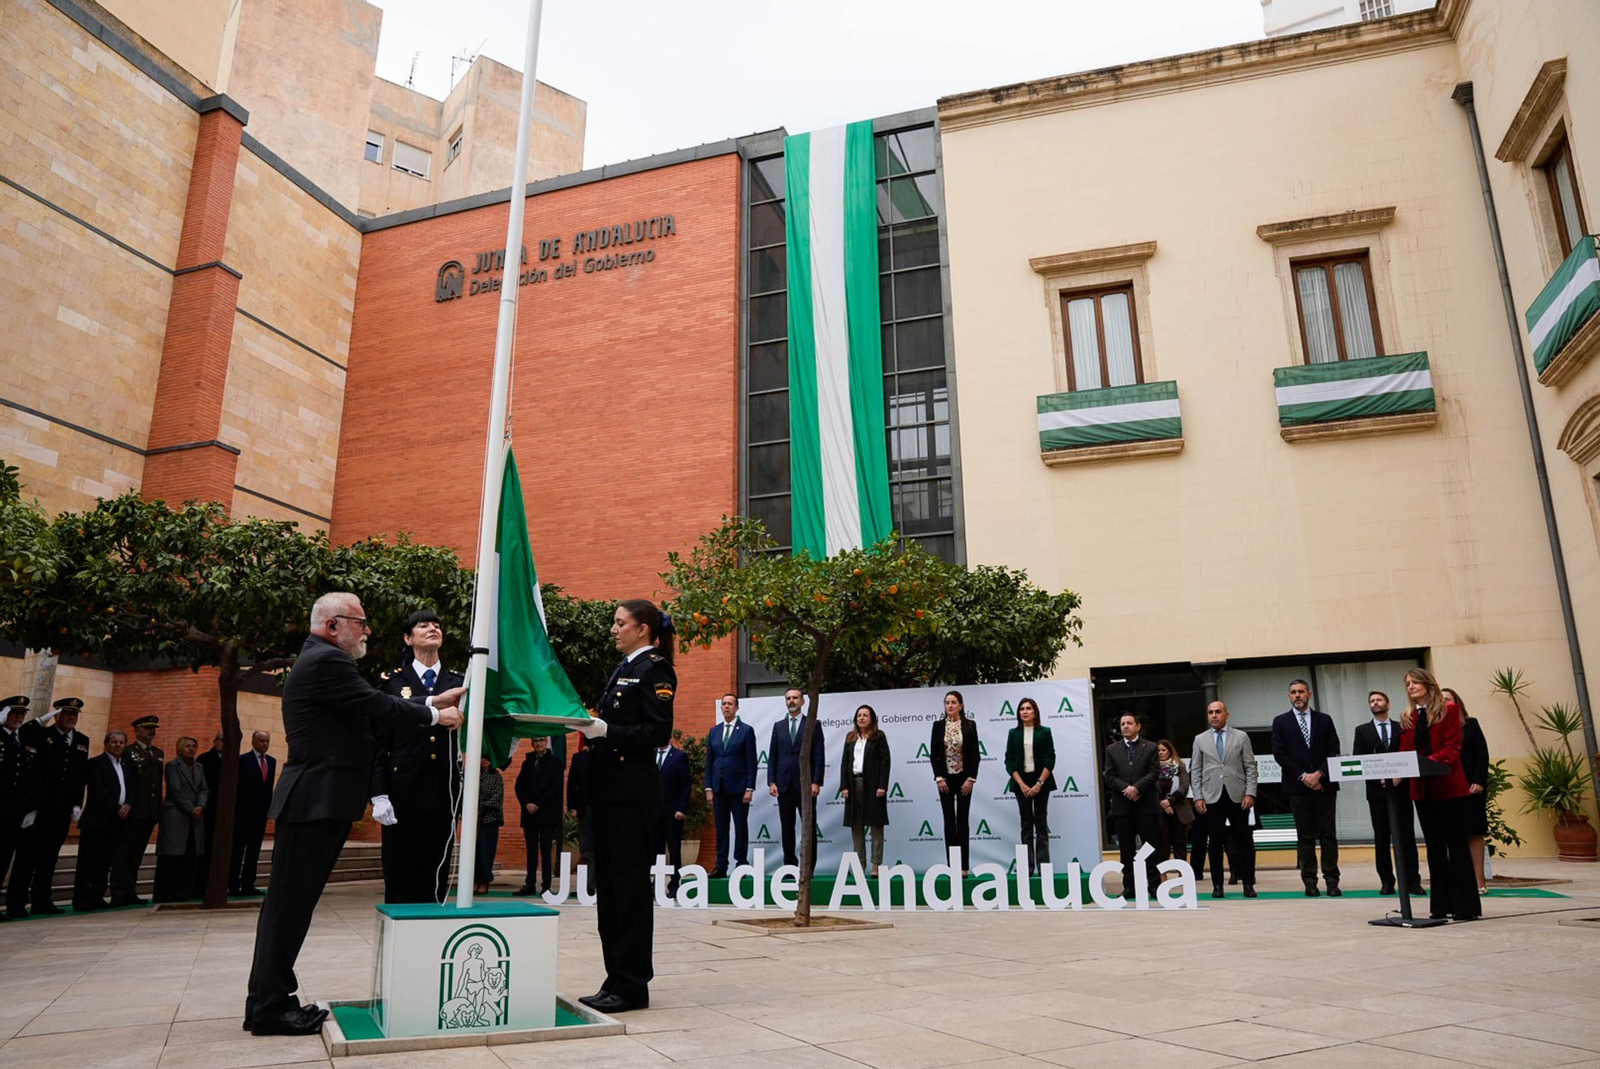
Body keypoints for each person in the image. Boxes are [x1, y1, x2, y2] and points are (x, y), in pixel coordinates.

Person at [245, 592, 464, 1037]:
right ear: (332, 626)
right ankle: (270, 1005)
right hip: (314, 800)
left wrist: (431, 701)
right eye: (359, 623)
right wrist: (433, 713)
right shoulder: (328, 661)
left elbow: (365, 717)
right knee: (289, 907)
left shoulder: (321, 658)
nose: (366, 631)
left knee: (290, 907)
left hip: (318, 800)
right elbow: (377, 707)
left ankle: (269, 1001)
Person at [575, 599, 675, 1015]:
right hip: (609, 793)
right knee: (611, 891)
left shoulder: (655, 668)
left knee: (630, 892)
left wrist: (606, 731)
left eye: (621, 623)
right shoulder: (625, 668)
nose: (613, 629)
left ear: (643, 628)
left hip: (632, 796)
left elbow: (657, 730)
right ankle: (615, 977)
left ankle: (633, 985)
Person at [373, 608, 465, 905]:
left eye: (437, 625)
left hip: (442, 793)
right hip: (403, 792)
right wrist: (379, 793)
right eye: (423, 625)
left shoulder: (460, 682)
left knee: (434, 876)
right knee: (400, 874)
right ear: (408, 638)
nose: (432, 629)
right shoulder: (393, 681)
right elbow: (379, 739)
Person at [1402, 670, 1480, 920]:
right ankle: (1440, 906)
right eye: (1407, 684)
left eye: (1414, 682)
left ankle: (1465, 907)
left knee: (1456, 846)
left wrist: (1428, 763)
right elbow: (1405, 750)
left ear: (1428, 684)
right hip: (1422, 791)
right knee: (1434, 848)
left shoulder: (1450, 710)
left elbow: (1453, 747)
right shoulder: (1409, 717)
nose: (1410, 687)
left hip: (1448, 787)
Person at [8, 697, 89, 918]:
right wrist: (32, 807)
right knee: (27, 858)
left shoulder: (82, 740)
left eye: (75, 714)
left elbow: (79, 775)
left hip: (62, 810)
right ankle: (16, 902)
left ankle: (41, 900)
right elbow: (35, 772)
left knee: (49, 857)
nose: (71, 718)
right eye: (66, 713)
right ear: (57, 715)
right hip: (40, 809)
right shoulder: (43, 736)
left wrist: (76, 803)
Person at [1272, 679, 1342, 897]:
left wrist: (1319, 774)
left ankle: (1332, 880)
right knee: (1305, 836)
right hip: (1297, 786)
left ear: (1309, 694)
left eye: (1301, 691)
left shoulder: (1324, 720)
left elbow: (1333, 749)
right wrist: (1304, 777)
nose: (1297, 695)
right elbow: (1279, 753)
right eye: (1293, 692)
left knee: (1328, 834)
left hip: (1324, 784)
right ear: (1289, 696)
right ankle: (1309, 881)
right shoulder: (1281, 722)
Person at [1352, 690, 1421, 896]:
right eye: (1371, 700)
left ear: (1388, 704)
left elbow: (1410, 756)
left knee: (1406, 836)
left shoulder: (1402, 728)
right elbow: (1359, 759)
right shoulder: (1362, 731)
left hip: (1402, 790)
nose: (1375, 703)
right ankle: (1386, 881)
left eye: (1379, 699)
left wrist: (1398, 776)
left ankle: (1412, 881)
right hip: (1377, 792)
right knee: (1382, 837)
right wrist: (1379, 777)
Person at [1189, 701, 1258, 898]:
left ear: (1226, 714)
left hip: (1238, 795)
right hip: (1211, 796)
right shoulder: (1200, 739)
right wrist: (1198, 796)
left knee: (1244, 841)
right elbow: (1196, 769)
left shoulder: (1241, 737)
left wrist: (1250, 792)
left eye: (1218, 712)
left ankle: (1248, 883)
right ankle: (1217, 885)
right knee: (1215, 842)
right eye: (1210, 712)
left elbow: (1250, 766)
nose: (1214, 716)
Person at [73, 730, 135, 911]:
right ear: (106, 744)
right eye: (114, 742)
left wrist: (129, 804)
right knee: (88, 861)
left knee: (105, 862)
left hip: (117, 822)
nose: (118, 745)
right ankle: (81, 899)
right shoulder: (96, 763)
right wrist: (117, 807)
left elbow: (132, 787)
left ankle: (97, 896)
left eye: (121, 742)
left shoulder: (126, 765)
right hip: (97, 821)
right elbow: (98, 790)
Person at [1103, 712, 1161, 899]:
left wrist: (1137, 789)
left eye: (1129, 723)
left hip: (1145, 805)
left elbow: (1153, 773)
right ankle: (1130, 886)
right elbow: (1109, 776)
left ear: (1138, 726)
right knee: (1126, 849)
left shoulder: (1151, 747)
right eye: (1122, 724)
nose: (1125, 726)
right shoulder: (1112, 750)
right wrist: (1126, 789)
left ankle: (1154, 885)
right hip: (1123, 807)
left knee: (1150, 847)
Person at [767, 686, 825, 875]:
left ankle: (809, 868)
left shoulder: (813, 725)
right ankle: (790, 867)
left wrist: (816, 781)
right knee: (787, 827)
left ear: (803, 701)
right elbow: (773, 756)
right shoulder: (778, 726)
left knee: (808, 827)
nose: (791, 701)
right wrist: (771, 781)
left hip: (806, 785)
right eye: (788, 698)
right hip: (784, 784)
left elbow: (818, 755)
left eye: (795, 698)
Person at [111, 712, 162, 907]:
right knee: (124, 853)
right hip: (133, 811)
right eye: (147, 728)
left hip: (149, 812)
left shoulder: (157, 753)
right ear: (136, 730)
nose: (151, 732)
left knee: (137, 854)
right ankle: (118, 892)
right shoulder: (128, 752)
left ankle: (130, 890)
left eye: (153, 729)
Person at [704, 692, 756, 878]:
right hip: (719, 788)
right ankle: (721, 865)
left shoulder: (746, 730)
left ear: (737, 708)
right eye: (724, 704)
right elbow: (709, 761)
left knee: (740, 827)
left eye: (730, 704)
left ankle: (741, 864)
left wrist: (749, 788)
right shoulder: (714, 731)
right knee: (721, 828)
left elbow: (752, 761)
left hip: (739, 788)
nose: (726, 707)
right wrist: (708, 787)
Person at [930, 690, 979, 876]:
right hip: (945, 780)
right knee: (949, 821)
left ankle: (964, 867)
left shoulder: (970, 725)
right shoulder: (937, 726)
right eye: (947, 702)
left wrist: (971, 778)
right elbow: (934, 754)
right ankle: (953, 866)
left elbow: (975, 755)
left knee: (963, 822)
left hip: (964, 779)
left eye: (953, 702)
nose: (949, 705)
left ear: (961, 705)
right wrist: (939, 777)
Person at [1446, 688, 1490, 894]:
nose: (1445, 703)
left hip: (1471, 787)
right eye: (1441, 700)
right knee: (1454, 834)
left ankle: (1480, 881)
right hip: (1447, 788)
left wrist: (1479, 781)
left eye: (1448, 699)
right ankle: (1460, 882)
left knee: (1474, 832)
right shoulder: (1437, 727)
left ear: (1457, 702)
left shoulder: (1470, 724)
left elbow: (1482, 754)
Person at [1004, 698, 1054, 875]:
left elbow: (1050, 759)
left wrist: (1039, 783)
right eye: (1022, 709)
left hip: (1042, 782)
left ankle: (1043, 867)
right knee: (1026, 825)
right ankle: (1028, 868)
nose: (1024, 711)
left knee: (1041, 824)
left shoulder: (1045, 732)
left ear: (1035, 712)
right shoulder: (1013, 733)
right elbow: (1009, 760)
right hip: (1021, 784)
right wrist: (1022, 784)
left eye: (1028, 708)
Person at [154, 736, 208, 903]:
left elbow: (204, 789)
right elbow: (174, 790)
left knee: (191, 854)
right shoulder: (172, 766)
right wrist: (191, 808)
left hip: (196, 817)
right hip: (176, 814)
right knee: (172, 855)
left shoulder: (199, 767)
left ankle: (184, 891)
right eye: (187, 746)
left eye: (193, 746)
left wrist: (200, 806)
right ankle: (165, 893)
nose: (191, 749)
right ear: (179, 749)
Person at [841, 704, 891, 877]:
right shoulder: (850, 737)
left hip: (873, 786)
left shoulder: (879, 736)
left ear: (872, 719)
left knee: (876, 826)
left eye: (865, 715)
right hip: (854, 784)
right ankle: (859, 864)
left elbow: (885, 762)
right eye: (859, 715)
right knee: (856, 826)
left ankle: (876, 865)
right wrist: (844, 786)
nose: (861, 718)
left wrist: (882, 786)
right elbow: (845, 763)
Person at [514, 737, 562, 895]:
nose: (538, 744)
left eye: (541, 740)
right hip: (530, 814)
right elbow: (519, 786)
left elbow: (556, 787)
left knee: (546, 850)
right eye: (535, 741)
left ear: (547, 742)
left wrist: (539, 803)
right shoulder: (527, 763)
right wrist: (526, 803)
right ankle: (530, 883)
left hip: (546, 813)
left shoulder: (555, 763)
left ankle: (546, 885)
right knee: (531, 851)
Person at [230, 731, 276, 896]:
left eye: (267, 741)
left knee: (254, 851)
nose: (265, 744)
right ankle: (233, 884)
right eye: (261, 741)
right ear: (253, 742)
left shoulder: (271, 761)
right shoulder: (243, 760)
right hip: (243, 814)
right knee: (237, 850)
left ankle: (249, 884)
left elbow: (268, 788)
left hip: (260, 815)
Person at [0, 697, 32, 922]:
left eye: (22, 714)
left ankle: (14, 905)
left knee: (5, 859)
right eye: (14, 713)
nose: (19, 718)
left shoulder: (23, 739)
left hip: (16, 812)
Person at [654, 741, 691, 897]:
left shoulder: (679, 756)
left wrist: (681, 808)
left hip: (673, 813)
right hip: (654, 813)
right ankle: (655, 885)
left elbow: (685, 785)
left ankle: (675, 885)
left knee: (674, 850)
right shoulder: (650, 754)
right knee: (655, 850)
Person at [1154, 740, 1192, 875]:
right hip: (1160, 811)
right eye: (1158, 750)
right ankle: (1162, 876)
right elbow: (1150, 789)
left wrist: (1170, 801)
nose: (1160, 753)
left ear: (1170, 751)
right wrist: (1163, 804)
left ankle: (1183, 875)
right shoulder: (1152, 768)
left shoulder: (1180, 766)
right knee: (1163, 844)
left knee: (1179, 844)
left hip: (1179, 810)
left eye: (1163, 750)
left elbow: (1184, 787)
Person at [195, 731, 225, 897]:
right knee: (204, 849)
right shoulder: (204, 760)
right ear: (215, 741)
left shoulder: (233, 760)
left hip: (224, 813)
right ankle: (200, 885)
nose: (224, 743)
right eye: (222, 740)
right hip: (208, 810)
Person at [567, 739, 596, 895]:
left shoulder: (607, 757)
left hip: (603, 809)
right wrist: (572, 807)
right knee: (586, 848)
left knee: (601, 848)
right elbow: (572, 784)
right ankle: (588, 886)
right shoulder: (579, 758)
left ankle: (597, 884)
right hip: (584, 809)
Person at [473, 755, 503, 896]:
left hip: (489, 819)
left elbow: (497, 797)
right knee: (474, 853)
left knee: (486, 852)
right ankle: (474, 880)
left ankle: (485, 881)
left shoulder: (495, 777)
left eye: (486, 759)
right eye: (481, 758)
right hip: (472, 821)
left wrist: (482, 811)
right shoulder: (472, 775)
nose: (484, 761)